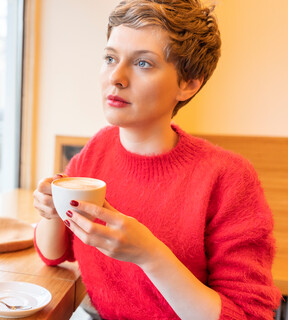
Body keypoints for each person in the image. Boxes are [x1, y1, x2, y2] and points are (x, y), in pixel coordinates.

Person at [32, 0, 282, 319]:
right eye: (110, 58)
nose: (116, 77)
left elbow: (248, 314)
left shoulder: (229, 178)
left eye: (143, 64)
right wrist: (52, 210)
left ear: (189, 84)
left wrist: (149, 255)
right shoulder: (97, 150)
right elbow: (54, 253)